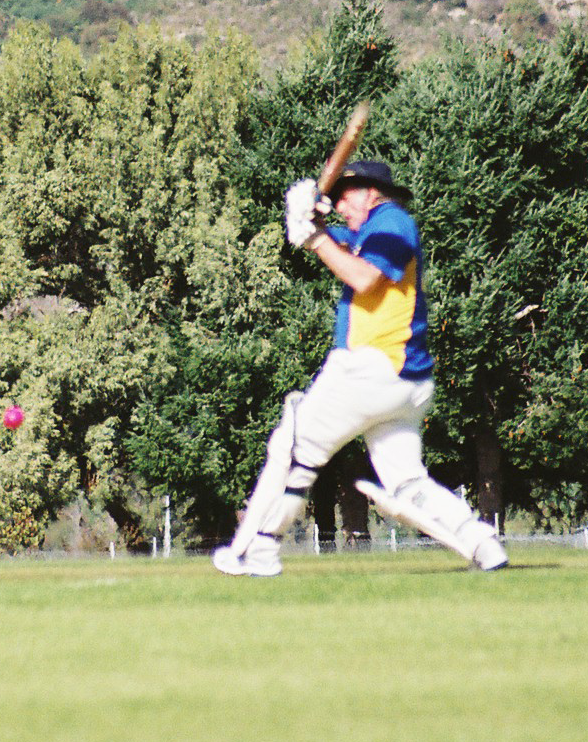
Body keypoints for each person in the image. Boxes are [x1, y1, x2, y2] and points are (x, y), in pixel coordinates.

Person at [213, 160, 507, 577]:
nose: (340, 205)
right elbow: (345, 244)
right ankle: (482, 543)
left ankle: (256, 549)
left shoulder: (393, 222)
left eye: (346, 196)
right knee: (407, 482)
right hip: (405, 382)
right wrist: (308, 223)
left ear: (373, 193)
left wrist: (314, 237)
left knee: (295, 448)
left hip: (372, 368)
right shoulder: (375, 228)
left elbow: (363, 277)